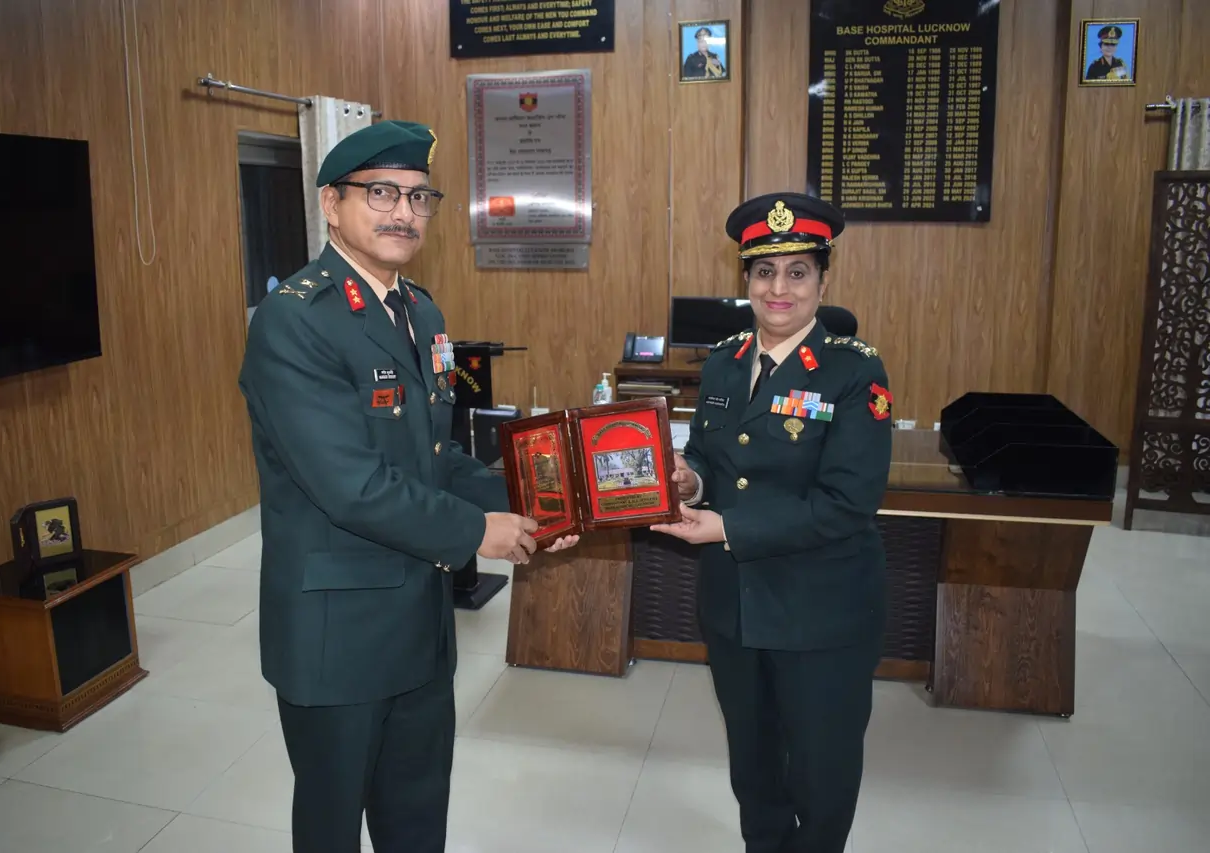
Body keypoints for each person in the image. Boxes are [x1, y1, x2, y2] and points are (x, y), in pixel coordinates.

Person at [238, 120, 579, 853]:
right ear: (332, 204)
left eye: (420, 197)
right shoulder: (293, 321)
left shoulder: (421, 312)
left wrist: (535, 499)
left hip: (418, 626)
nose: (405, 213)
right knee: (332, 827)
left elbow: (437, 456)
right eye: (382, 193)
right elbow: (351, 486)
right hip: (337, 635)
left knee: (417, 819)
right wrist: (477, 532)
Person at [651, 192, 892, 853]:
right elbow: (710, 455)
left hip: (821, 611)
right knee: (753, 766)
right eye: (764, 272)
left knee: (821, 772)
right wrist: (688, 478)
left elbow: (848, 506)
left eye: (796, 272)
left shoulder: (854, 370)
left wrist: (724, 526)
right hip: (735, 608)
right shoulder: (726, 360)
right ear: (746, 280)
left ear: (822, 278)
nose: (778, 289)